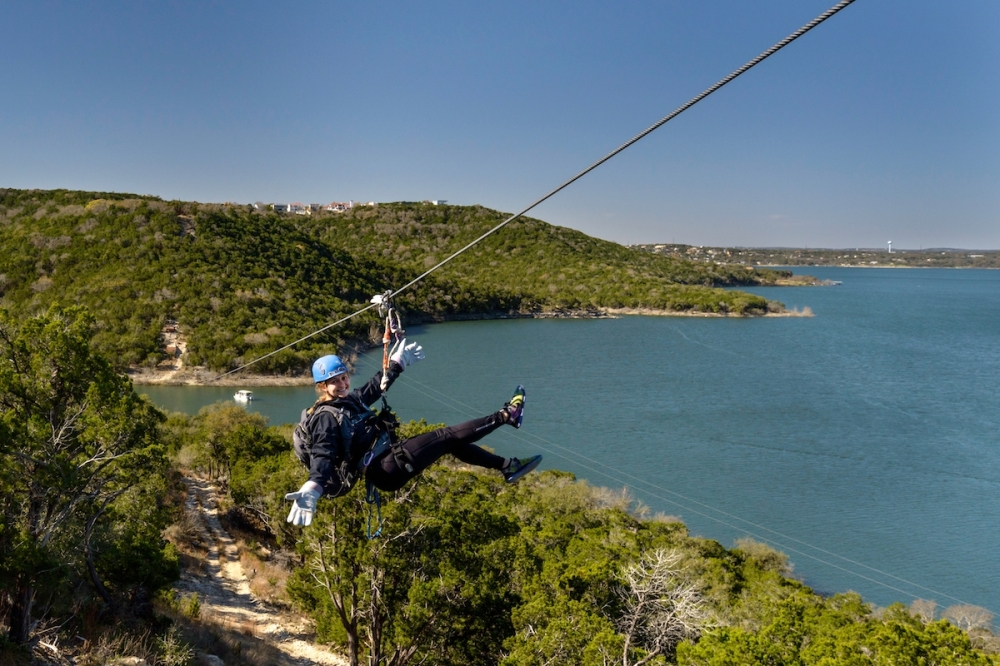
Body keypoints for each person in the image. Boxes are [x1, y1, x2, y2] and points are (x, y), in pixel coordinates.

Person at [286, 339, 543, 526]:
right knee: (445, 436)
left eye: (344, 377)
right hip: (385, 468)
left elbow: (374, 387)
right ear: (322, 386)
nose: (342, 384)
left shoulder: (348, 401)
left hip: (387, 460)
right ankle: (507, 415)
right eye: (335, 381)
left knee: (450, 443)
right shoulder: (325, 418)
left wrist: (397, 364)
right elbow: (323, 454)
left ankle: (507, 466)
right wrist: (313, 487)